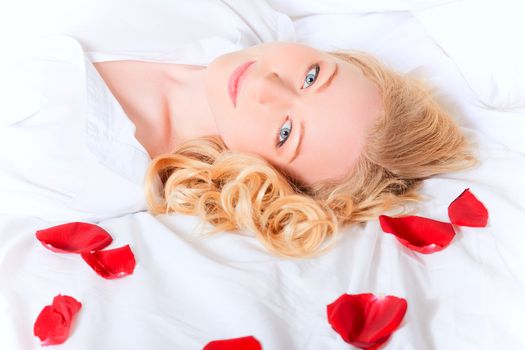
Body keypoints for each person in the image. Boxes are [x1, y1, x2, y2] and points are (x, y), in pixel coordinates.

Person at [93, 41, 476, 259]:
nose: (268, 84)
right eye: (312, 77)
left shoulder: (93, 166)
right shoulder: (244, 21)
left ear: (265, 176)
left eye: (285, 132)